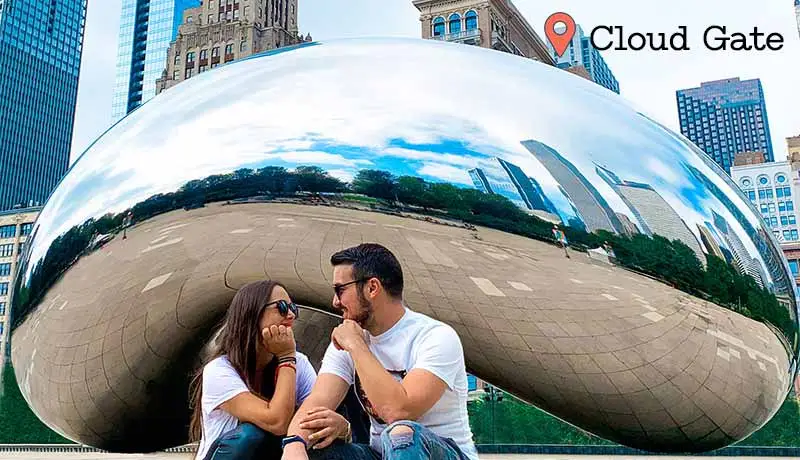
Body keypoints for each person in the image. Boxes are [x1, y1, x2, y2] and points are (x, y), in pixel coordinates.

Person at [280, 243, 478, 460]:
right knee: (314, 448)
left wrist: (357, 346)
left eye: (340, 290)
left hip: (444, 453)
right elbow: (316, 404)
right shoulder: (349, 340)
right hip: (379, 454)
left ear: (372, 288)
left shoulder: (435, 337)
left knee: (401, 434)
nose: (335, 301)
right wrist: (295, 443)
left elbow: (399, 412)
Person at [189, 280, 351, 460]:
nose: (290, 315)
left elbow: (312, 419)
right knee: (249, 436)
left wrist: (342, 427)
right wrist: (286, 358)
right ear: (253, 314)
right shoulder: (219, 370)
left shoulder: (300, 362)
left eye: (293, 308)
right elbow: (276, 422)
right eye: (281, 307)